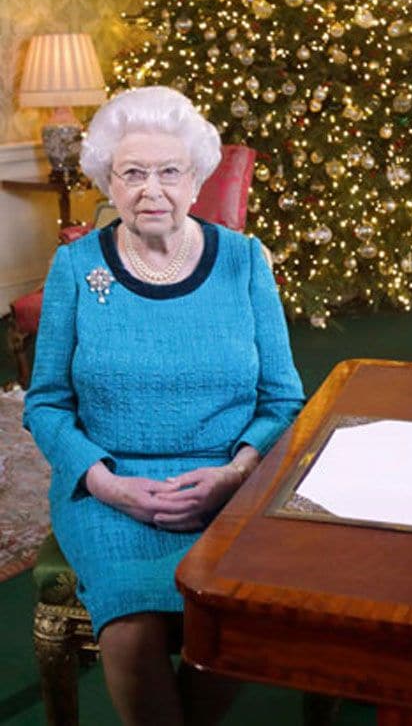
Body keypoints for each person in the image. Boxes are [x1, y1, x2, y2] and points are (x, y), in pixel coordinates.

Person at [24, 86, 305, 726]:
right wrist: (104, 482)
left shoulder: (244, 262)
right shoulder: (74, 268)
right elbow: (45, 404)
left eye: (169, 172)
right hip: (109, 487)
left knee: (241, 614)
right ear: (108, 181)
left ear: (197, 178)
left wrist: (232, 476)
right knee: (131, 627)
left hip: (226, 485)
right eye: (133, 173)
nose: (152, 190)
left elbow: (284, 399)